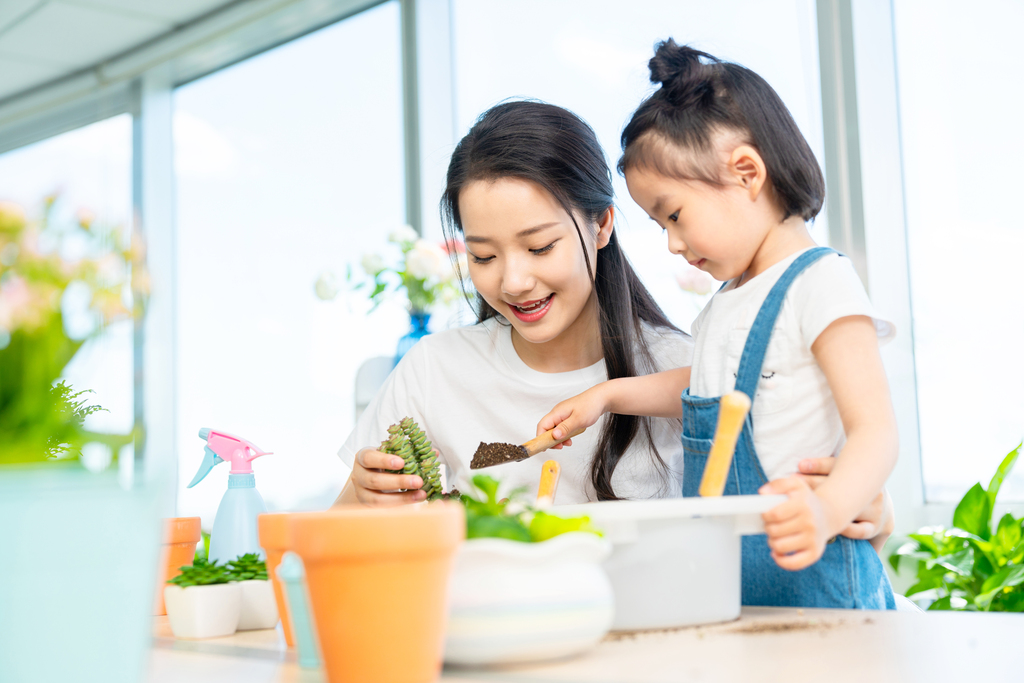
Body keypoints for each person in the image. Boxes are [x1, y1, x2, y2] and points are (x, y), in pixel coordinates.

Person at [332, 100, 894, 555]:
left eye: (540, 246)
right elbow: (324, 545)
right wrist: (361, 499)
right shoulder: (434, 371)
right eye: (483, 257)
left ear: (601, 225)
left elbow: (802, 463)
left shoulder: (687, 366)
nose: (514, 281)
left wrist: (856, 505)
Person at [538, 42, 897, 609]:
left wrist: (827, 511)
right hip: (733, 581)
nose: (674, 243)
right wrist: (606, 396)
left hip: (814, 569)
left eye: (674, 215)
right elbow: (704, 392)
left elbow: (876, 431)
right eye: (660, 226)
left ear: (747, 172)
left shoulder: (819, 283)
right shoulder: (727, 303)